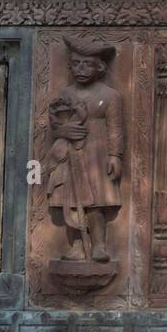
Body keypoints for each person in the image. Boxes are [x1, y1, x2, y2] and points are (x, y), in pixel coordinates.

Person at [45, 38, 123, 262]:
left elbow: (116, 128)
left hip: (96, 154)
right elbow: (55, 124)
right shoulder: (66, 95)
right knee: (70, 198)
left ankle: (98, 245)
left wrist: (115, 155)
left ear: (99, 68)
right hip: (69, 154)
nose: (80, 69)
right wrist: (64, 131)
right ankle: (77, 246)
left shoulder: (109, 96)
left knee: (94, 201)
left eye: (86, 64)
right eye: (76, 64)